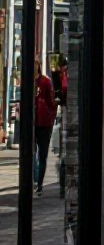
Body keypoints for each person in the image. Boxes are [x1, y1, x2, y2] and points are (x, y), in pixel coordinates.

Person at [34, 59, 57, 195]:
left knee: (42, 155)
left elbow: (52, 101)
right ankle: (34, 180)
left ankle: (40, 184)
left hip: (44, 122)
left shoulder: (45, 81)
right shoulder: (28, 81)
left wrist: (51, 116)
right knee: (32, 154)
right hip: (32, 122)